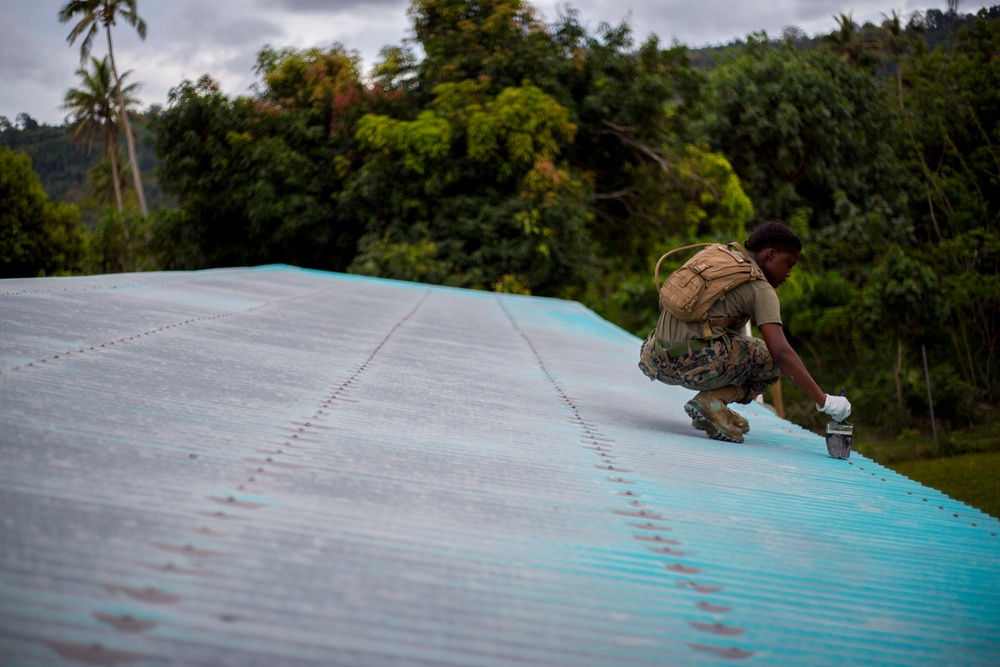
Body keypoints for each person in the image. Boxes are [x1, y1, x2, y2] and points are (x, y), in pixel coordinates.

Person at [637, 221, 851, 443]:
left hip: (654, 359)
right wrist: (824, 400)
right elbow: (781, 353)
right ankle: (712, 401)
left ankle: (711, 410)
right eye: (788, 264)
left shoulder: (712, 255)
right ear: (770, 254)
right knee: (769, 359)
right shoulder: (760, 287)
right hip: (693, 365)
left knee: (738, 342)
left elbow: (664, 305)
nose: (788, 273)